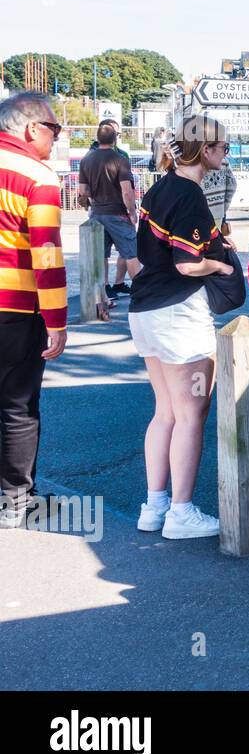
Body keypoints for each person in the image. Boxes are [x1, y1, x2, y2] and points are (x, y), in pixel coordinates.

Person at [127, 115, 234, 540]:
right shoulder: (189, 193)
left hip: (146, 309)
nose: (225, 155)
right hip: (177, 311)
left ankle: (154, 507)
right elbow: (188, 263)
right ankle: (181, 512)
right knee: (191, 414)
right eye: (223, 148)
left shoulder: (159, 188)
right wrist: (222, 264)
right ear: (205, 150)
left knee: (166, 412)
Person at [0, 94, 68, 529]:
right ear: (31, 129)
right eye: (54, 130)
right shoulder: (37, 176)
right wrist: (57, 321)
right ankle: (16, 500)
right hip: (15, 306)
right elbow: (45, 252)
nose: (57, 139)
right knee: (18, 405)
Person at [77, 119, 140, 299]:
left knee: (101, 254)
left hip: (97, 213)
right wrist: (132, 212)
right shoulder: (120, 160)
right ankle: (142, 290)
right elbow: (126, 191)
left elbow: (83, 191)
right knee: (130, 252)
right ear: (114, 139)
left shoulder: (86, 160)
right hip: (118, 214)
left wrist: (90, 202)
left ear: (98, 138)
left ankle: (105, 290)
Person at [201, 151, 237, 235]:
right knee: (216, 242)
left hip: (197, 214)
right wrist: (223, 208)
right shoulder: (222, 160)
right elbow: (232, 185)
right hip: (218, 213)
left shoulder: (193, 161)